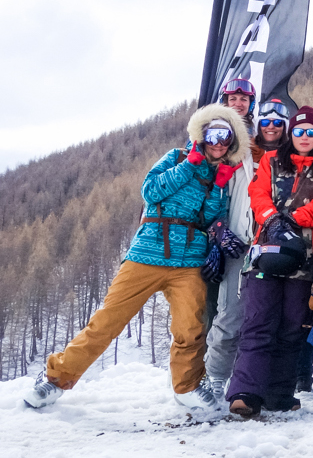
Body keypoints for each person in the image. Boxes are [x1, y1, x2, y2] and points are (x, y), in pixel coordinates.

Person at [24, 105, 246, 414]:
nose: (219, 143)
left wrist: (218, 188)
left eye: (226, 137)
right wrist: (189, 166)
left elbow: (211, 219)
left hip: (188, 262)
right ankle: (55, 379)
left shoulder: (221, 178)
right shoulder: (176, 158)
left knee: (190, 329)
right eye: (213, 135)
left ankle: (186, 386)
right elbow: (150, 191)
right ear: (202, 135)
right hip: (147, 254)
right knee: (107, 321)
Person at [226, 105, 313, 417]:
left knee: (292, 327)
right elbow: (258, 193)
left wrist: (293, 219)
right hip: (265, 253)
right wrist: (272, 219)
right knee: (258, 322)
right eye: (299, 131)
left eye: (311, 132)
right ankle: (246, 392)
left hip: (305, 257)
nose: (304, 137)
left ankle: (279, 394)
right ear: (291, 133)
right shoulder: (272, 160)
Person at [202, 97, 289, 399]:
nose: (271, 127)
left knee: (267, 318)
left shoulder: (290, 160)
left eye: (278, 123)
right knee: (230, 315)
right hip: (238, 243)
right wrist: (218, 229)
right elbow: (215, 193)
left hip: (273, 248)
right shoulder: (238, 156)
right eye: (266, 122)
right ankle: (215, 376)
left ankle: (255, 382)